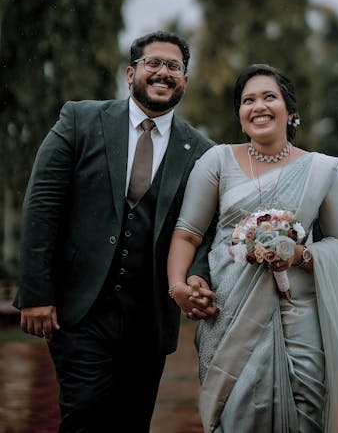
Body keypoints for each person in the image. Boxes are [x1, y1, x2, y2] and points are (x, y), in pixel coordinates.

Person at [14, 30, 217, 433]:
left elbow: (206, 232)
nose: (163, 72)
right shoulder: (80, 119)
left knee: (131, 423)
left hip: (150, 317)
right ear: (130, 73)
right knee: (86, 416)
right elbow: (42, 205)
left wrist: (198, 278)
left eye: (173, 66)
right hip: (80, 309)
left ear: (185, 80)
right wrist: (36, 292)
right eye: (153, 63)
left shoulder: (202, 151)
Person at [167, 63, 338, 433]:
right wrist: (178, 286)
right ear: (239, 114)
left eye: (269, 97)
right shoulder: (217, 161)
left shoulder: (321, 172)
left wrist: (299, 255)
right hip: (230, 312)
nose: (258, 106)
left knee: (308, 411)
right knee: (235, 415)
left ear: (290, 111)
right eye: (247, 100)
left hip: (299, 316)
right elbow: (187, 233)